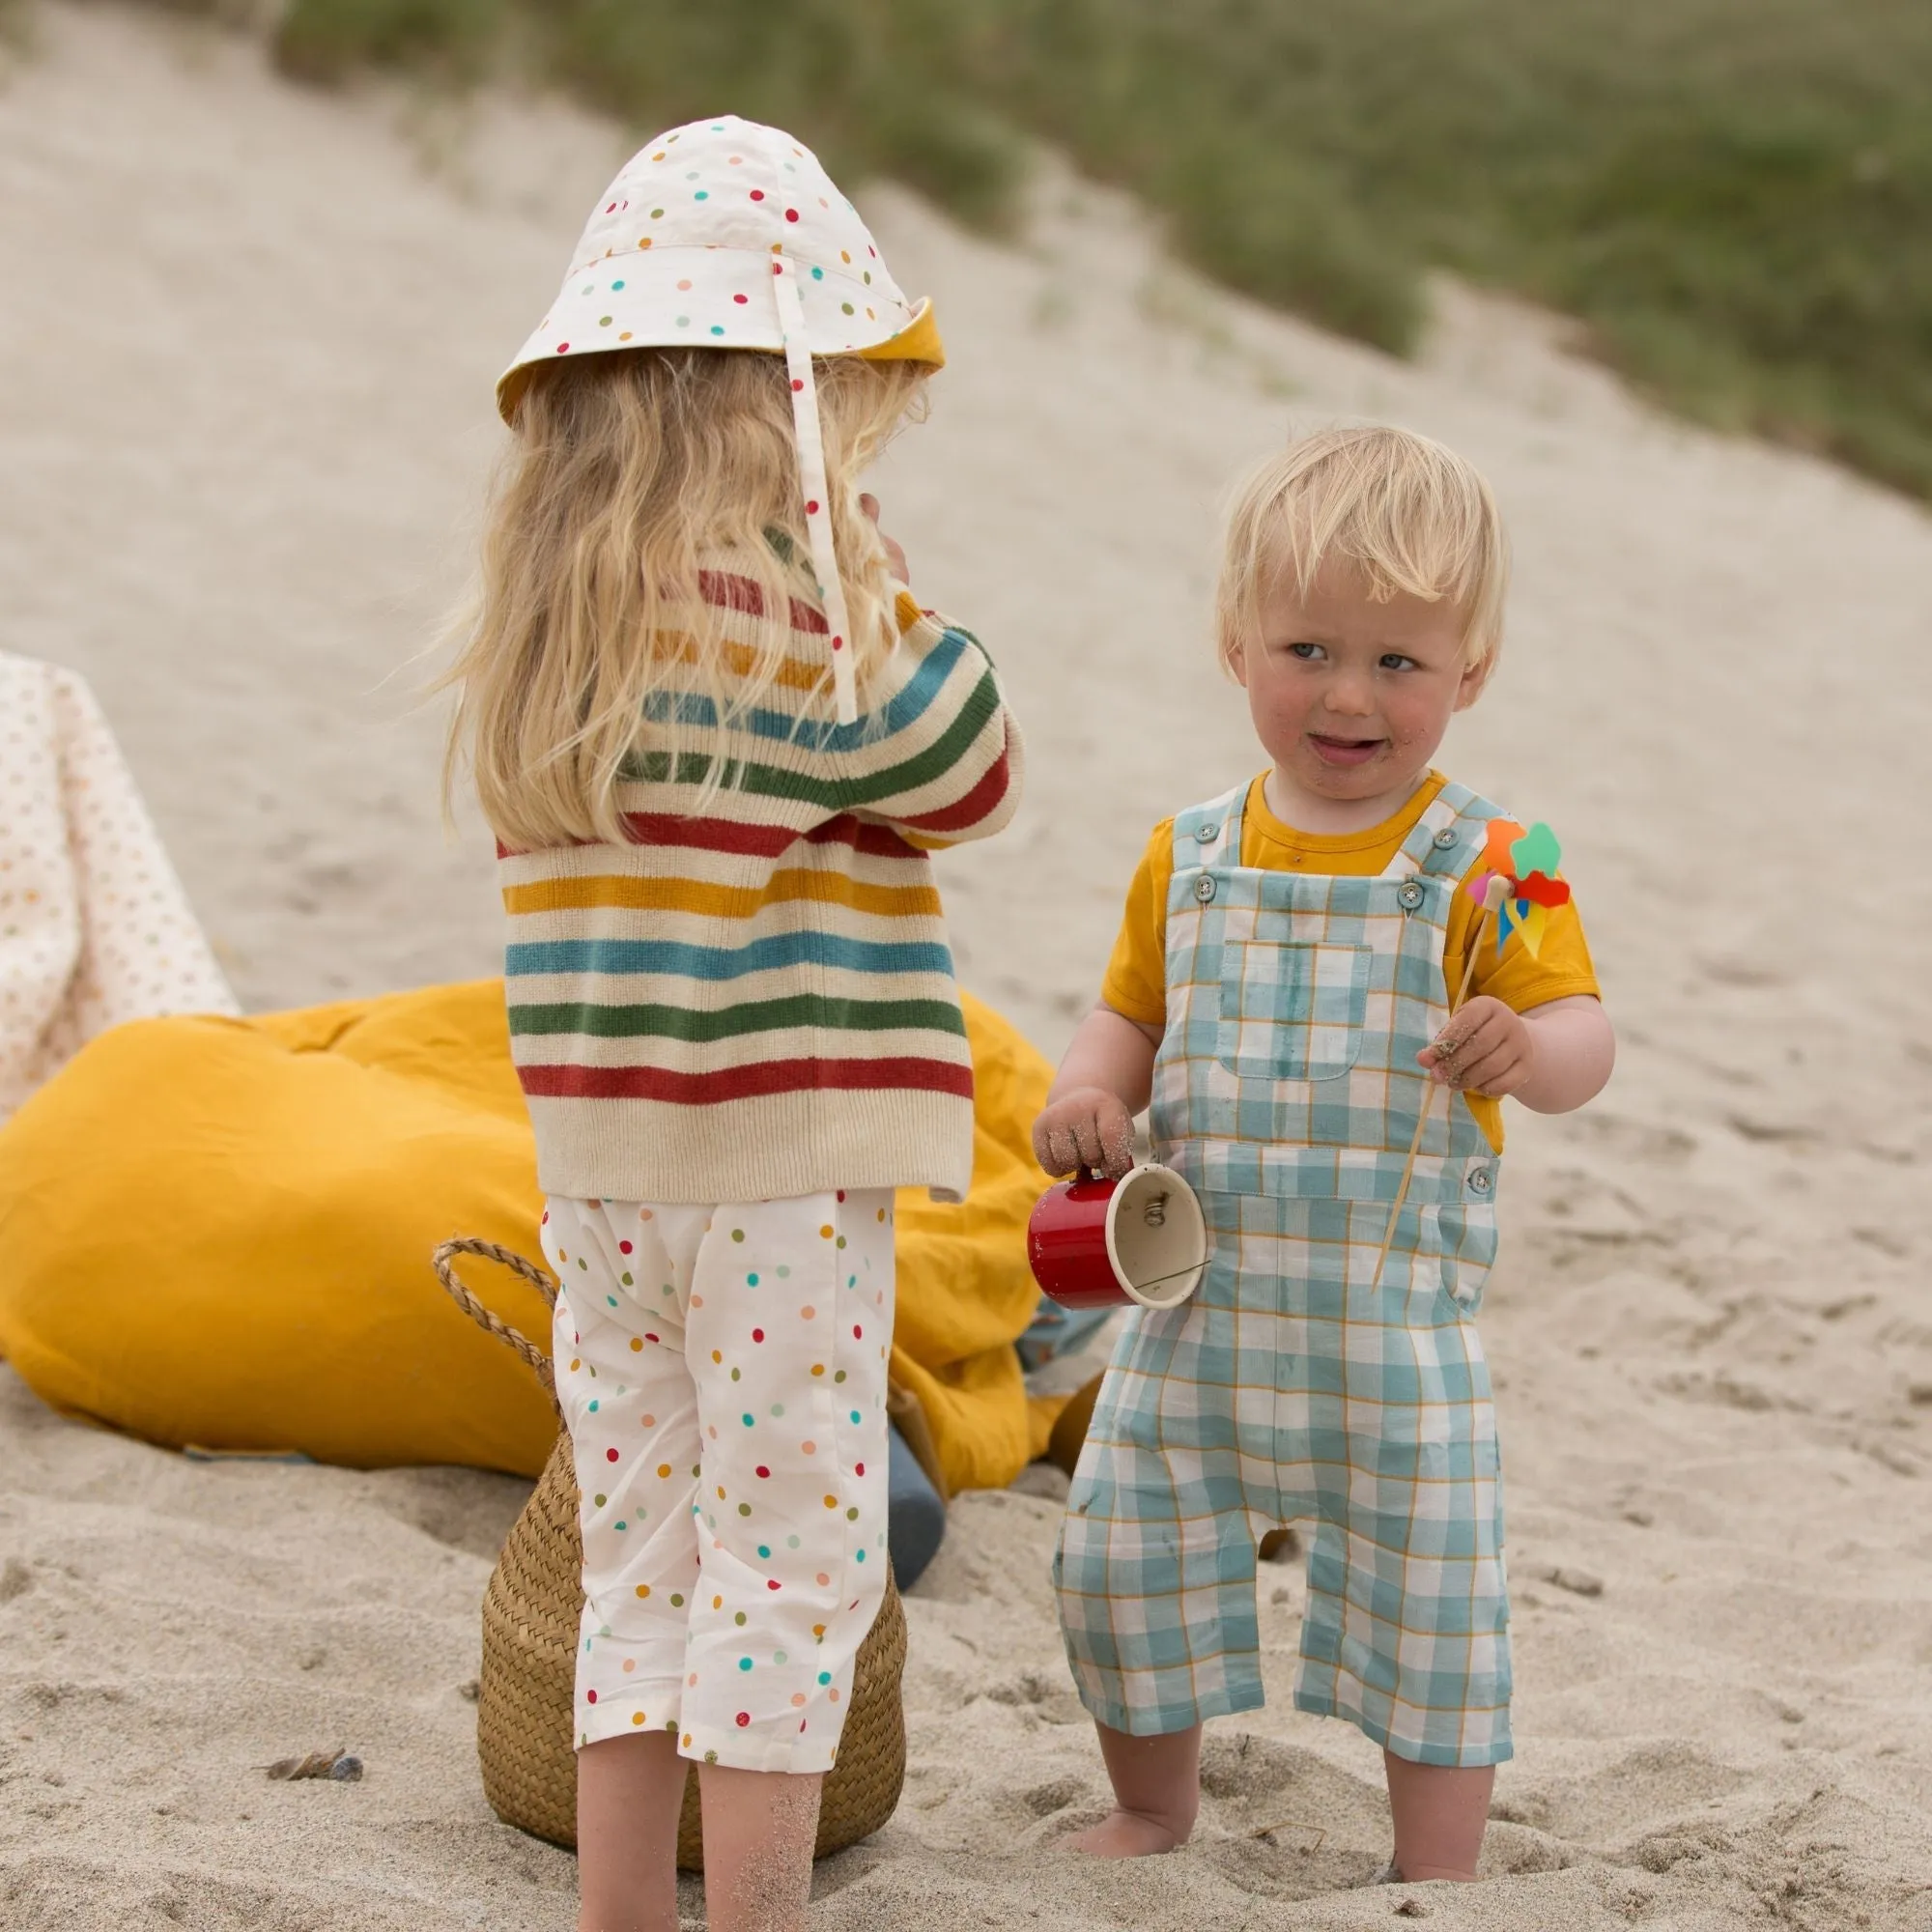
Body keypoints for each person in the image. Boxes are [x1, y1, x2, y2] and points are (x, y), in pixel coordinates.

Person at [442, 116, 1022, 1932]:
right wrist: (875, 571)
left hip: (600, 1172)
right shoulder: (799, 607)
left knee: (646, 1541)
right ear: (781, 397)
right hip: (771, 1171)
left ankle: (624, 1909)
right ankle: (756, 1912)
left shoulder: (552, 622)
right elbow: (974, 762)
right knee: (792, 1553)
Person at [1033, 426, 1613, 1884]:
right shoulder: (1191, 852)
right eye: (1308, 648)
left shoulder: (1499, 861)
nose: (1350, 696)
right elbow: (1127, 1016)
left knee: (1436, 1606)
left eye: (1401, 665)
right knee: (1122, 1570)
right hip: (1202, 1312)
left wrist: (1525, 1050)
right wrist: (1087, 1098)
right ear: (1237, 646)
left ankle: (1437, 1867)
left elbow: (1586, 1043)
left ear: (1470, 672)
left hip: (1390, 1329)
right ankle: (1155, 1810)